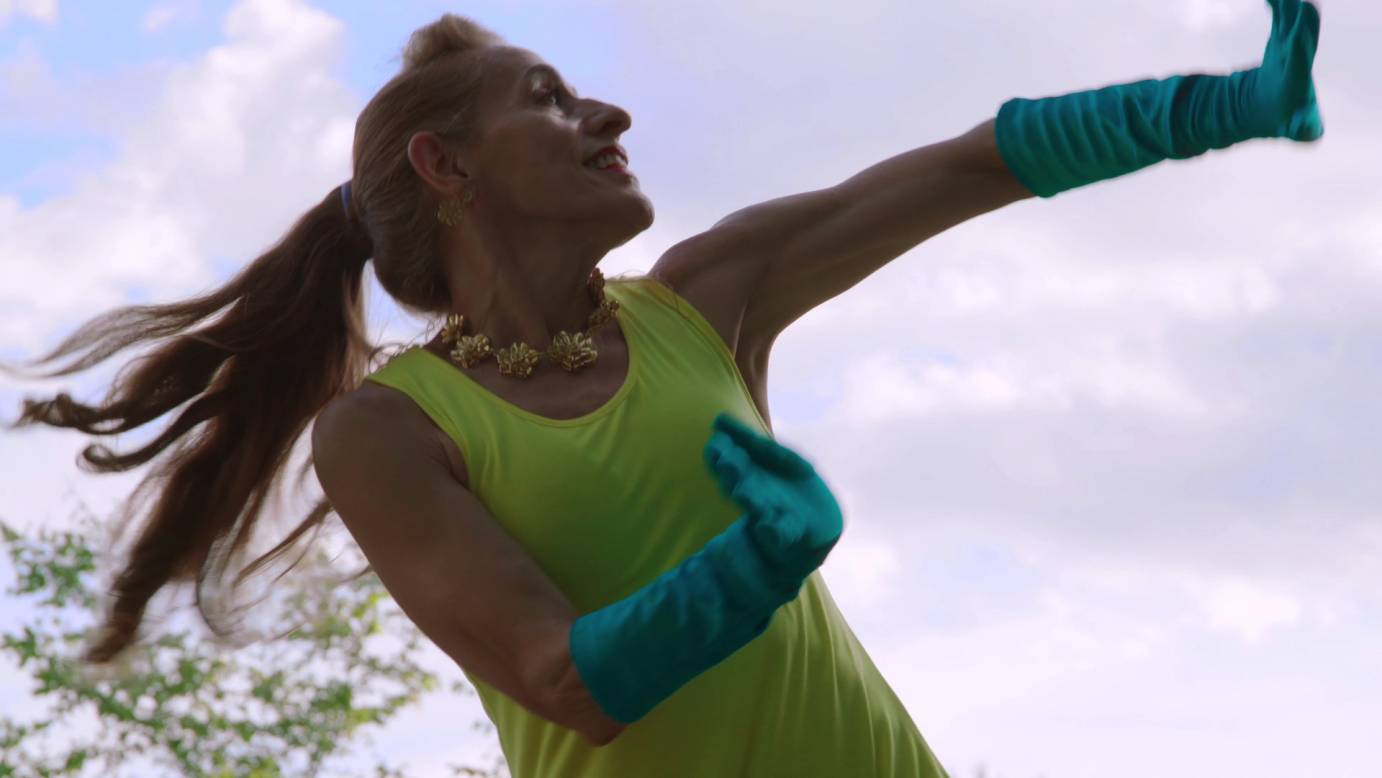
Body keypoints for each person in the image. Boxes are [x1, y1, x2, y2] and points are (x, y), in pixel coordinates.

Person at [2, 2, 1322, 775]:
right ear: (445, 167)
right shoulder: (391, 432)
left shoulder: (708, 293)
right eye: (549, 98)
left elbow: (967, 167)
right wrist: (760, 559)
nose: (610, 116)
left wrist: (1218, 105)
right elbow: (563, 677)